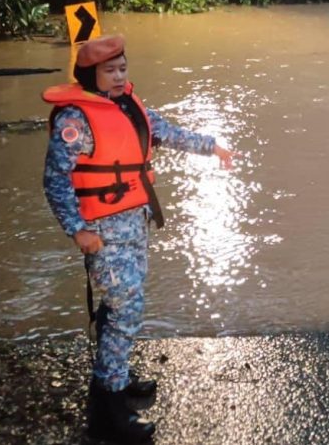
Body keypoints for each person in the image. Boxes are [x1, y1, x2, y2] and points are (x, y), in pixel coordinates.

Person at [42, 34, 237, 443]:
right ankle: (107, 413)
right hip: (103, 235)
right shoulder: (75, 120)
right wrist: (78, 229)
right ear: (89, 75)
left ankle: (117, 376)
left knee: (118, 310)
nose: (118, 76)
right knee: (126, 310)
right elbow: (56, 180)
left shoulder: (128, 104)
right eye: (109, 70)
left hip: (134, 225)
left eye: (122, 68)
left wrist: (212, 146)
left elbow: (165, 132)